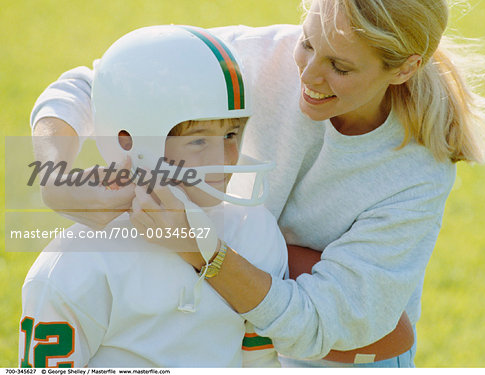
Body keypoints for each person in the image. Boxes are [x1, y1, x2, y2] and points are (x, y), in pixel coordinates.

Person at [29, 0, 485, 367]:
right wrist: (54, 179)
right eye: (308, 42)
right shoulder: (258, 58)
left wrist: (204, 249)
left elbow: (325, 323)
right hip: (228, 329)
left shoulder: (416, 171)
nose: (308, 74)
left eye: (340, 67)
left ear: (404, 68)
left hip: (335, 357)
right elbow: (98, 83)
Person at [19, 25, 288, 367]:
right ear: (127, 140)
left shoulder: (256, 230)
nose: (224, 158)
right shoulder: (76, 265)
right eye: (198, 140)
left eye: (232, 133)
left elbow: (259, 365)